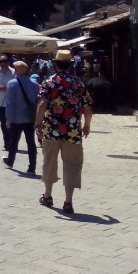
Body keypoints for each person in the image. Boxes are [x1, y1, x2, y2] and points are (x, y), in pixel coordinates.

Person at [35, 49, 93, 214]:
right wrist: (87, 125)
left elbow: (42, 105)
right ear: (71, 65)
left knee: (49, 162)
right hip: (73, 131)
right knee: (72, 164)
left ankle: (48, 195)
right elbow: (87, 107)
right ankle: (68, 201)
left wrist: (38, 125)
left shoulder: (49, 82)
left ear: (55, 64)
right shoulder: (78, 84)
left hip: (51, 130)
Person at [3, 60, 39, 174]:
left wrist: (8, 119)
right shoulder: (35, 84)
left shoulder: (12, 84)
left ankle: (10, 161)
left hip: (16, 118)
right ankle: (32, 167)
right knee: (31, 143)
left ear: (17, 70)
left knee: (14, 141)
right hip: (30, 118)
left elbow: (10, 104)